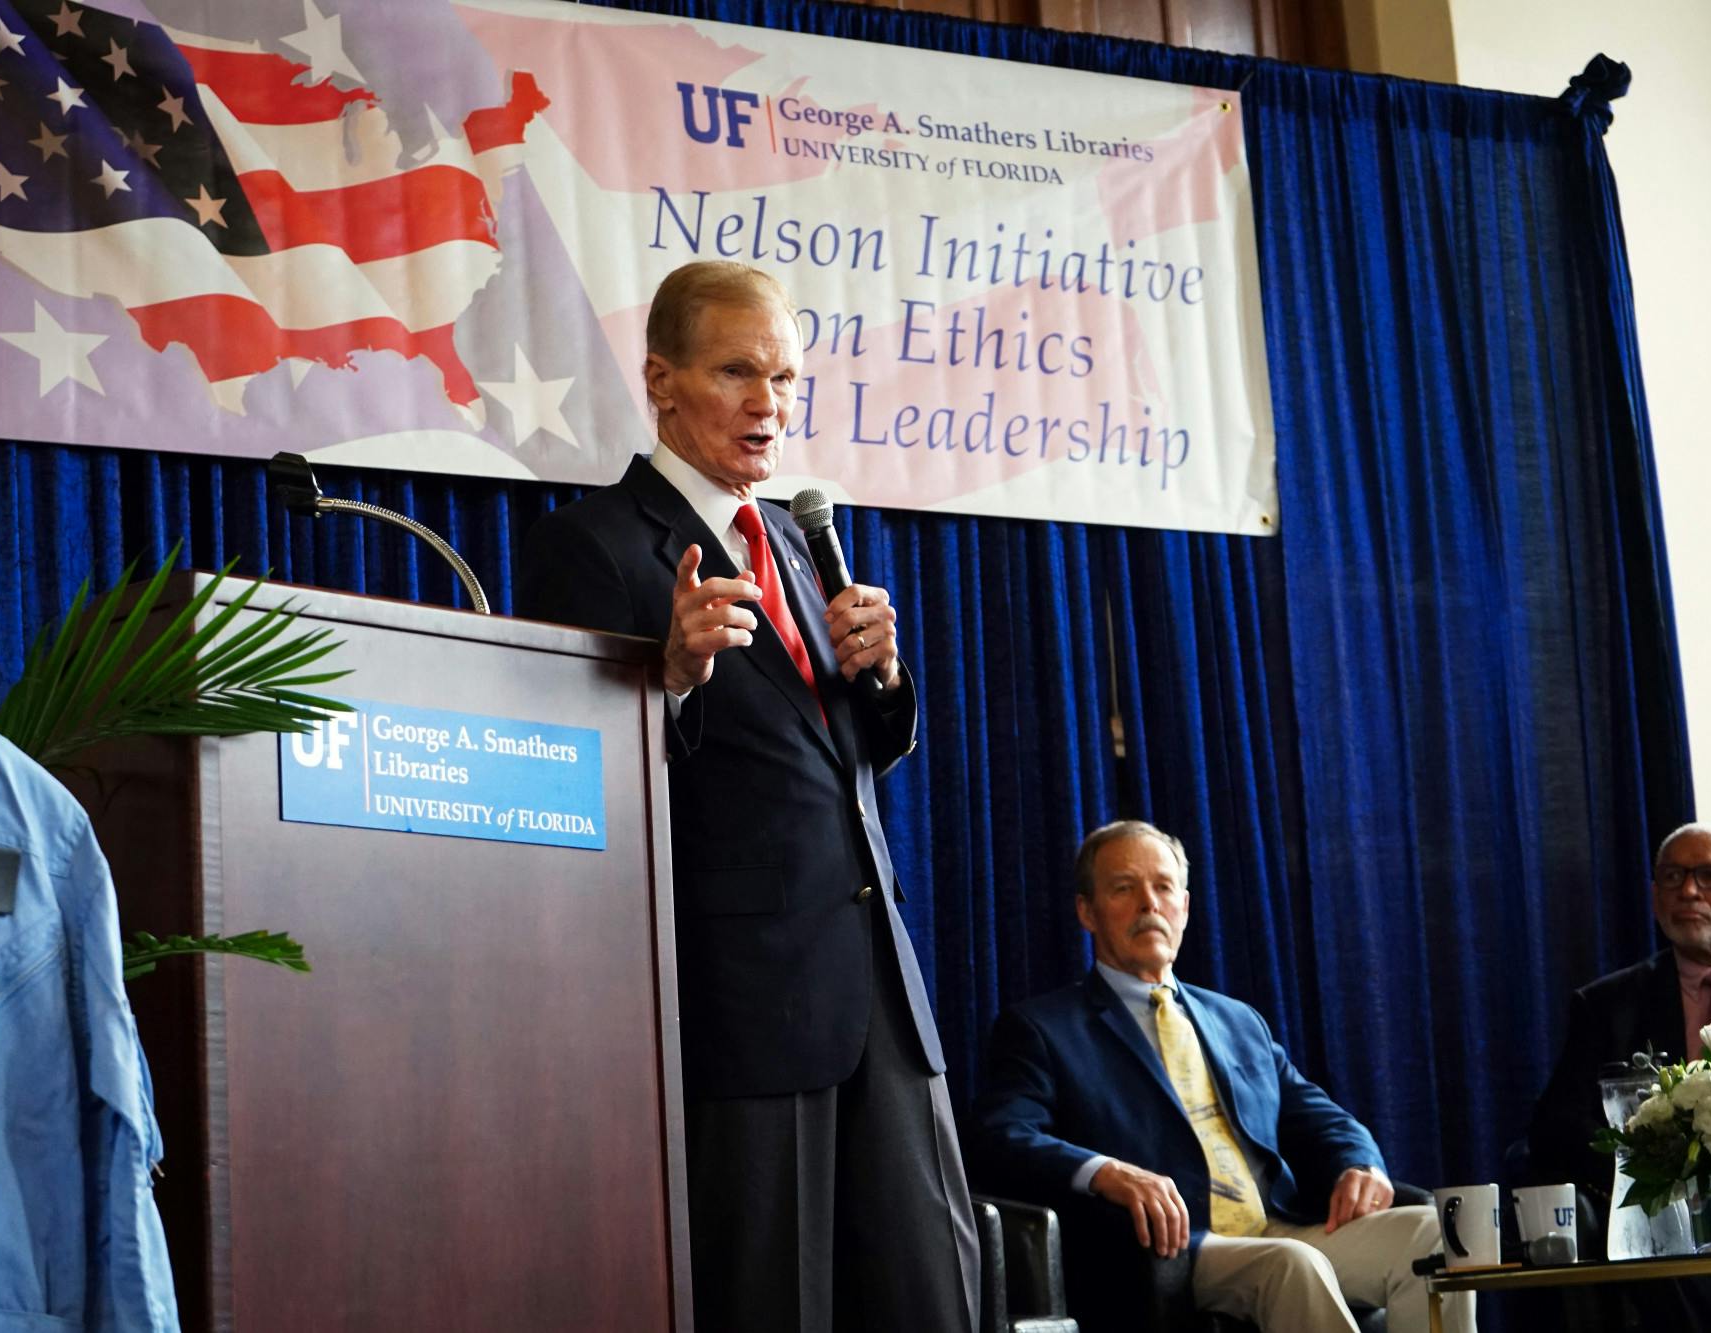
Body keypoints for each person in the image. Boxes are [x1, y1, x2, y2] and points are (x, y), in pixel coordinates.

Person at [516, 261, 977, 1333]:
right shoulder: (590, 547)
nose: (769, 403)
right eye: (737, 372)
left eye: (785, 377)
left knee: (932, 1295)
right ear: (662, 382)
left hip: (877, 992)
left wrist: (886, 681)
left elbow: (840, 760)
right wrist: (667, 680)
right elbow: (564, 780)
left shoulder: (795, 546)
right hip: (739, 1001)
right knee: (773, 1301)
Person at [971, 820, 1470, 1333]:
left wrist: (1360, 1162)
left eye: (1163, 887)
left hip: (1278, 1225)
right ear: (1087, 911)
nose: (1149, 903)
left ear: (1184, 908)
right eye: (1124, 888)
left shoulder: (1238, 1022)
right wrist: (1106, 1171)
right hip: (1173, 1246)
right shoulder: (1043, 1027)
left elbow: (1320, 1115)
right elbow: (1001, 1136)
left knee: (1437, 1235)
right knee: (1294, 1265)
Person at [1522, 821, 1711, 1323]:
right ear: (1655, 896)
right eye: (1673, 876)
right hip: (1670, 1210)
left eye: (1709, 875)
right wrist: (1649, 1164)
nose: (1688, 890)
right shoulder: (1608, 1006)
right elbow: (1556, 1125)